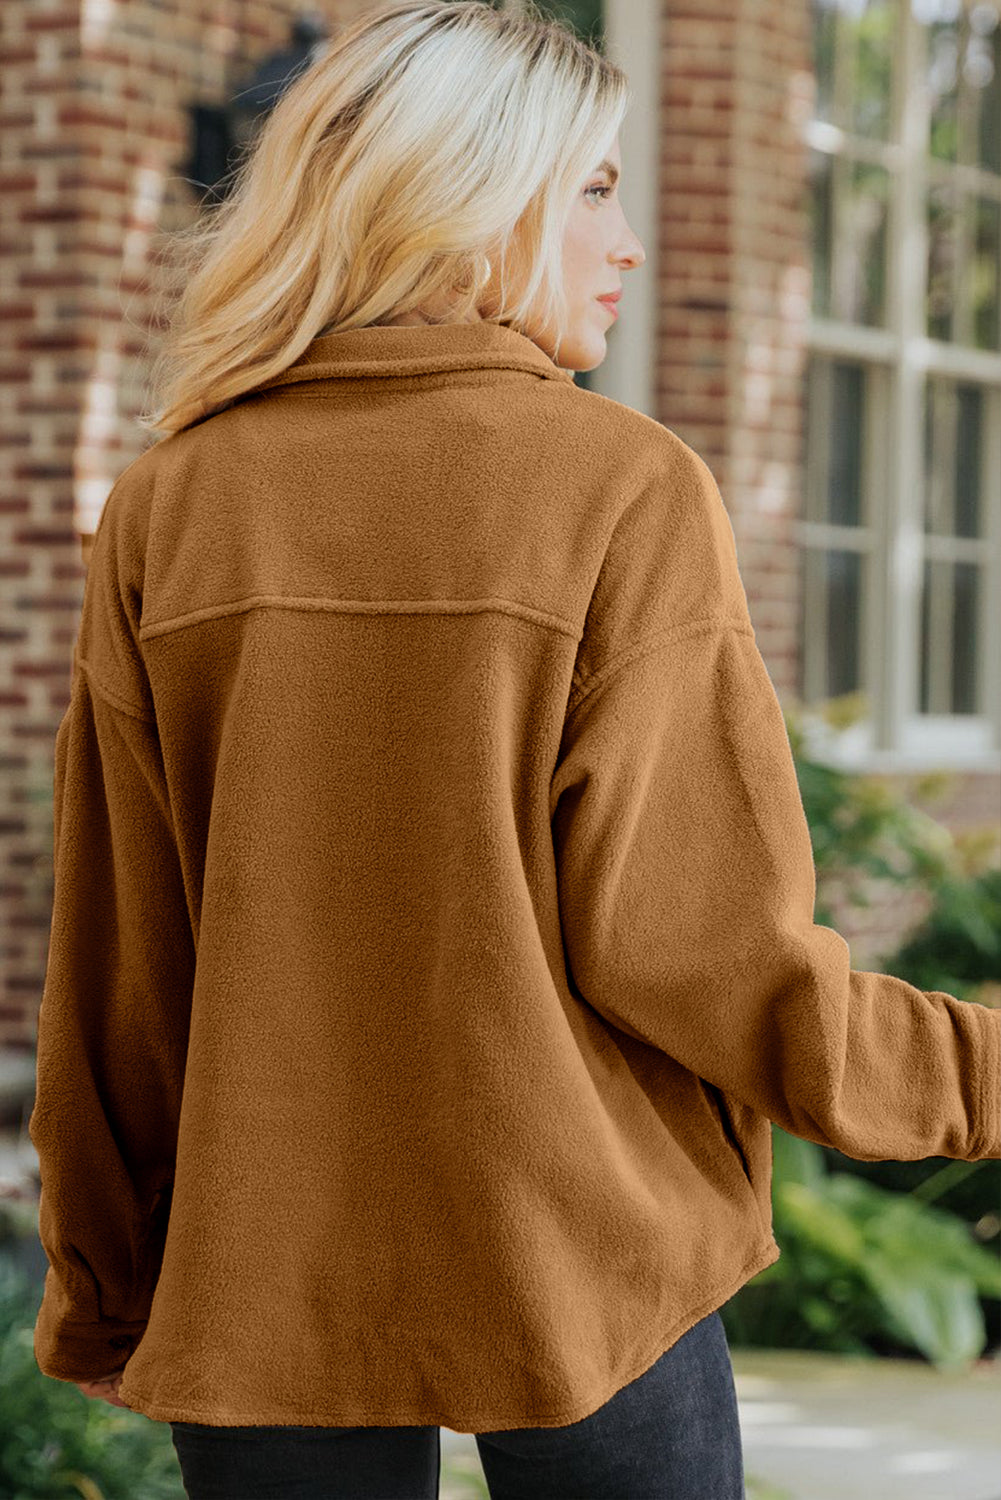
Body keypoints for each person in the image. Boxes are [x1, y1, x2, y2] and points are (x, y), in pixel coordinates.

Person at [28, 1, 1000, 1497]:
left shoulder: (175, 499)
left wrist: (109, 1275)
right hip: (587, 1266)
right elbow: (703, 954)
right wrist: (973, 1071)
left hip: (266, 1262)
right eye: (596, 189)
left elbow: (122, 965)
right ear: (468, 200)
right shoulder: (619, 487)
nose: (625, 242)